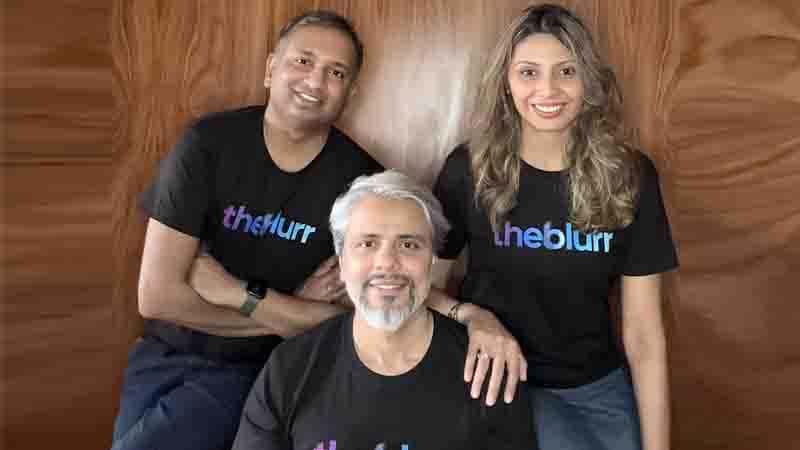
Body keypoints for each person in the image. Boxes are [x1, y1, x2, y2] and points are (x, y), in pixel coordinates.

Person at [111, 10, 383, 450]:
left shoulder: (363, 184)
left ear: (350, 92)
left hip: (264, 370)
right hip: (165, 354)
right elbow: (157, 297)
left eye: (336, 72)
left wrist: (235, 292)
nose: (315, 81)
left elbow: (344, 324)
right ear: (271, 68)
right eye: (303, 61)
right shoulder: (207, 144)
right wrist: (288, 313)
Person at [430, 4, 678, 450]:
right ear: (506, 83)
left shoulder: (630, 175)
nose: (548, 90)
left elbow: (643, 332)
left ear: (588, 81)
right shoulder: (469, 169)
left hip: (595, 390)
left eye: (567, 71)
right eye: (529, 72)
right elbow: (419, 289)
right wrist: (473, 317)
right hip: (495, 380)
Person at [232, 170, 536, 450]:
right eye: (367, 244)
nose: (387, 263)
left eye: (409, 245)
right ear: (342, 262)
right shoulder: (289, 368)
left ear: (432, 261)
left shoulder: (489, 369)